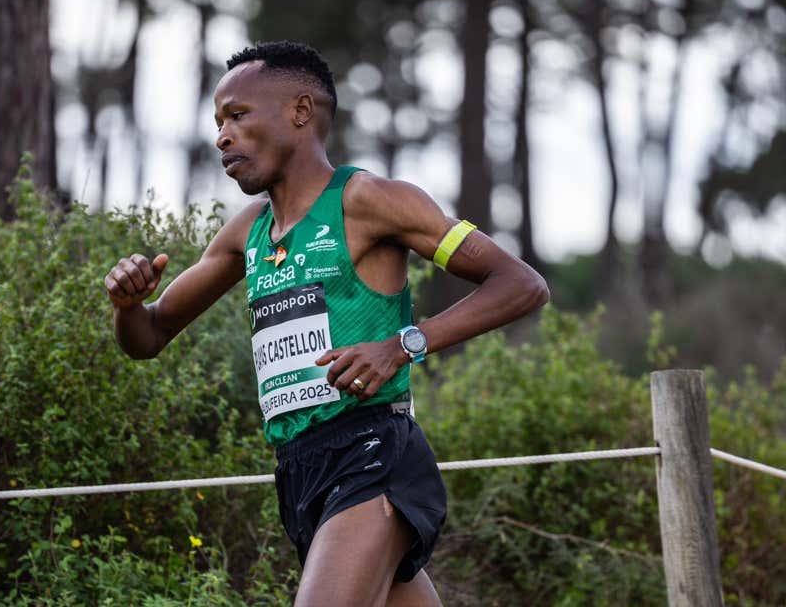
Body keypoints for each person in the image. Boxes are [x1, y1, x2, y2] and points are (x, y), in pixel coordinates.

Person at [104, 41, 549, 606]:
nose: (221, 136)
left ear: (300, 111)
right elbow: (150, 335)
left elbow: (521, 283)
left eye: (237, 115)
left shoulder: (372, 201)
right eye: (217, 122)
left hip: (371, 454)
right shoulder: (247, 234)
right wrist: (126, 306)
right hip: (299, 472)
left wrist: (403, 344)